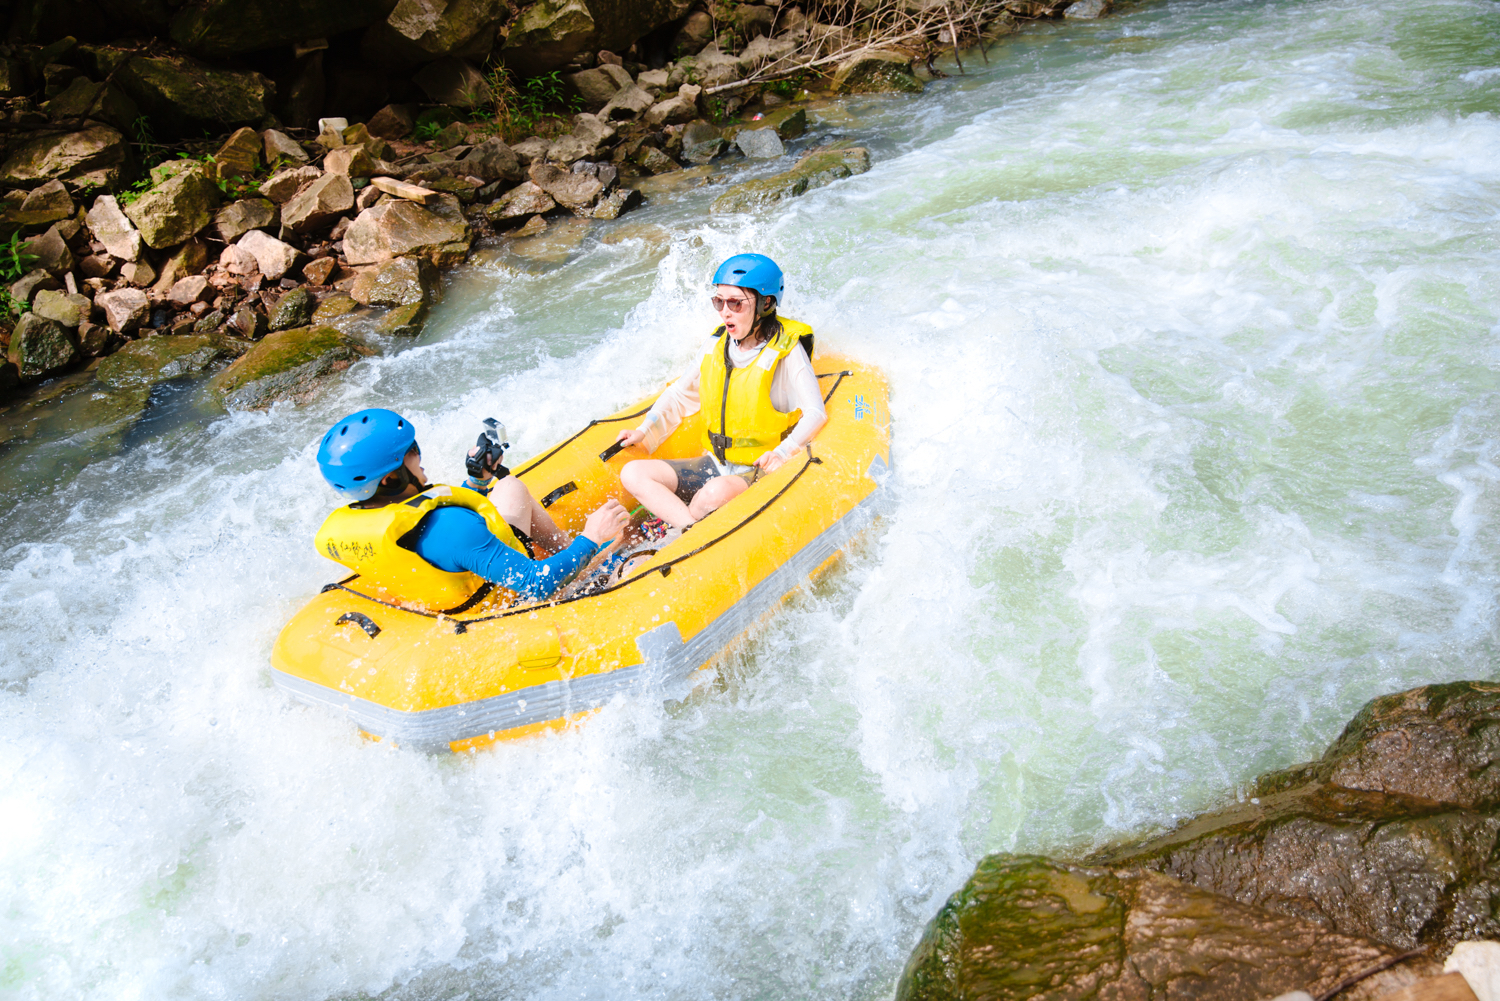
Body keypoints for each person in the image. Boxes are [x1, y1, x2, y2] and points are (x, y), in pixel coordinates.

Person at [314, 408, 630, 609]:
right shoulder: (449, 528)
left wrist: (476, 481)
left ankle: (573, 553)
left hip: (448, 589)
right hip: (500, 603)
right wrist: (591, 537)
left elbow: (436, 539)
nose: (418, 454)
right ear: (390, 479)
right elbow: (536, 583)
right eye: (410, 453)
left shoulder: (365, 516)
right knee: (576, 554)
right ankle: (586, 560)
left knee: (509, 486)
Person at [614, 254, 827, 531]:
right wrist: (644, 430)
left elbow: (815, 413)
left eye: (735, 303)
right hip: (716, 463)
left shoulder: (787, 351)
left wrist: (783, 452)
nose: (724, 311)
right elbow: (680, 394)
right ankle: (687, 529)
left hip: (757, 471)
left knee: (714, 493)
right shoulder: (717, 343)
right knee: (633, 473)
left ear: (766, 303)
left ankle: (673, 534)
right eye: (719, 301)